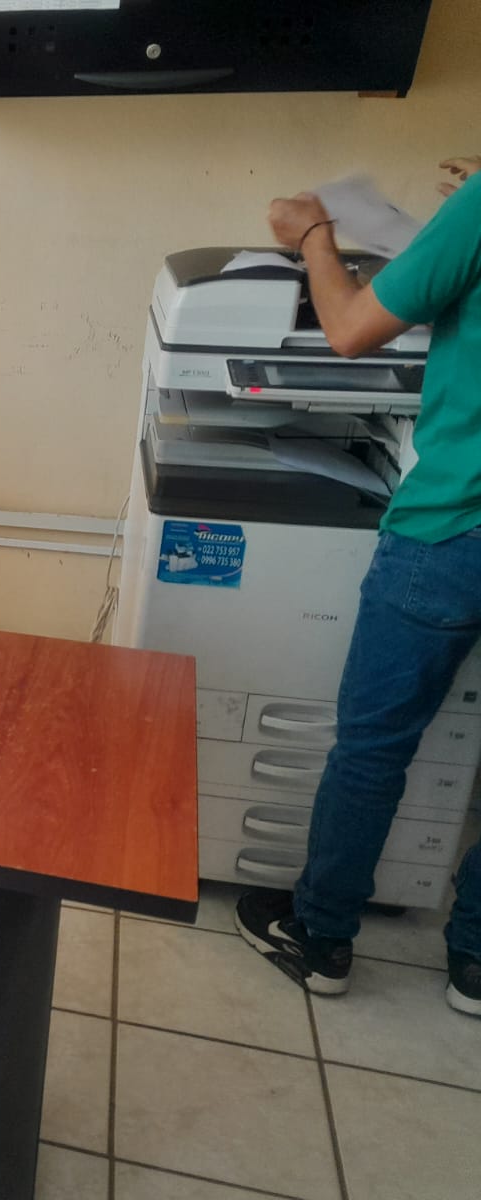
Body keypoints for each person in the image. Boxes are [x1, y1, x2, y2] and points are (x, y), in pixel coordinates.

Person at [236, 155, 481, 1018]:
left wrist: (313, 235)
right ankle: (477, 963)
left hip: (454, 526)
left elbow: (345, 330)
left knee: (374, 746)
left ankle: (322, 934)